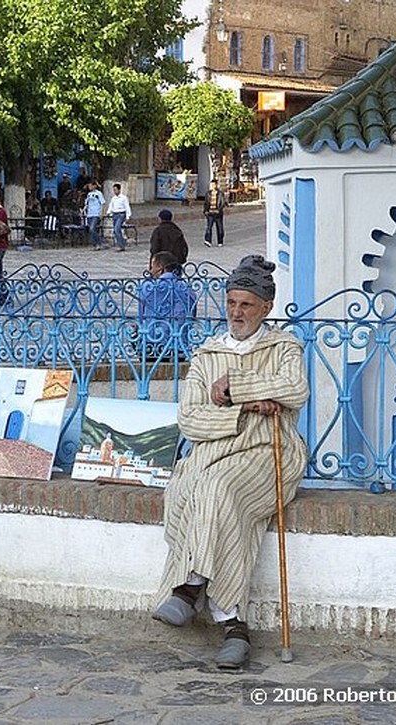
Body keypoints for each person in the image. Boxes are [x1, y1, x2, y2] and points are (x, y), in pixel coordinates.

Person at [152, 255, 309, 670]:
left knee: (218, 488)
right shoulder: (206, 355)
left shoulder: (283, 348)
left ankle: (188, 588)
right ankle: (233, 625)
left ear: (266, 308)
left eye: (246, 305)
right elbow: (190, 417)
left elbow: (294, 388)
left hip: (269, 452)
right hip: (212, 451)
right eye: (232, 303)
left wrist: (235, 386)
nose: (236, 312)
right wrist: (243, 410)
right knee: (196, 491)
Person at [138, 251, 197, 358]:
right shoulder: (188, 290)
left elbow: (141, 316)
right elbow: (192, 315)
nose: (150, 271)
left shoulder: (149, 288)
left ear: (160, 268)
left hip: (153, 346)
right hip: (180, 346)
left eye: (152, 267)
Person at [107, 183, 132, 252]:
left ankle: (120, 245)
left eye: (115, 190)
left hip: (121, 214)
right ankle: (122, 243)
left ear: (119, 190)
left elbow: (127, 207)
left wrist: (128, 216)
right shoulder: (113, 198)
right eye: (113, 190)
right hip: (115, 214)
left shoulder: (123, 198)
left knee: (117, 228)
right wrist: (109, 212)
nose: (114, 191)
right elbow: (111, 206)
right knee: (116, 230)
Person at [203, 179, 227, 247]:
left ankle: (220, 241)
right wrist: (205, 211)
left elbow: (222, 203)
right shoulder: (208, 193)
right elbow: (206, 203)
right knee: (209, 227)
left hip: (217, 214)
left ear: (216, 185)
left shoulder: (220, 193)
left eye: (214, 184)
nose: (213, 186)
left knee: (220, 228)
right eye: (212, 185)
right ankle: (208, 240)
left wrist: (219, 210)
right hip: (210, 213)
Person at [83, 181, 106, 250]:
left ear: (94, 186)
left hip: (96, 213)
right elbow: (86, 204)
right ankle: (95, 244)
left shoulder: (99, 193)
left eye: (91, 186)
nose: (89, 187)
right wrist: (84, 210)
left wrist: (101, 213)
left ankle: (99, 243)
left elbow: (102, 203)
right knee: (91, 230)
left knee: (92, 228)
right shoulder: (89, 194)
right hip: (89, 214)